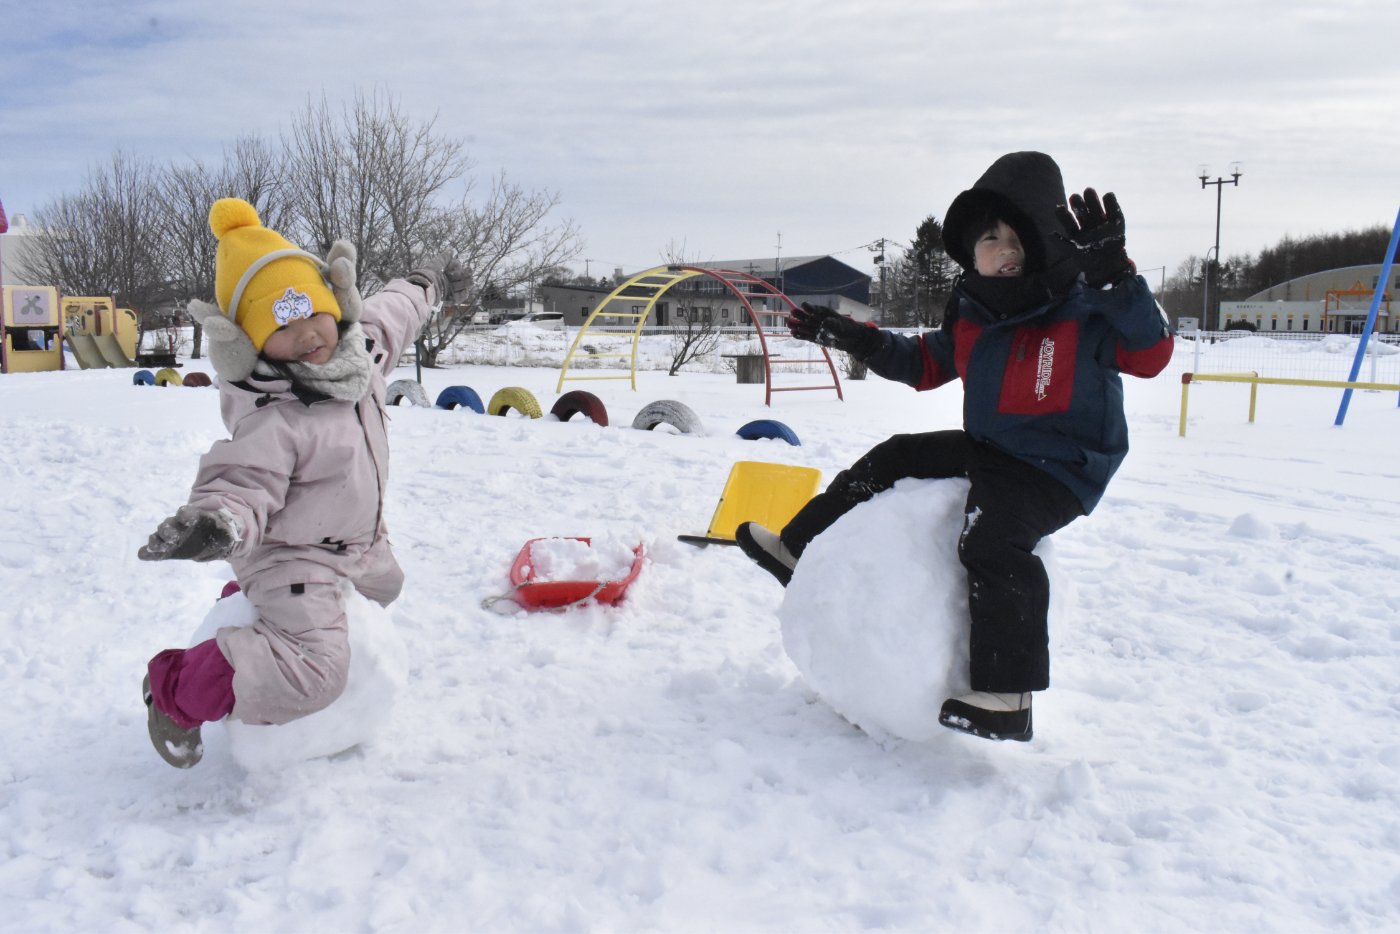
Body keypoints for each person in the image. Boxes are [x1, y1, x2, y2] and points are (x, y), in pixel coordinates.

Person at [736, 151, 1174, 742]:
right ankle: (797, 546)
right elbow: (924, 362)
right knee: (896, 455)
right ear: (971, 252)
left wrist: (1116, 278)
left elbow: (1151, 355)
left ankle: (1008, 694)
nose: (1005, 249)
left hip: (1063, 467)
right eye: (990, 238)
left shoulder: (1088, 306)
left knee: (994, 538)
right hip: (993, 446)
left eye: (1020, 236)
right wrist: (856, 339)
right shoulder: (974, 312)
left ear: (1049, 242)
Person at [138, 198, 470, 768]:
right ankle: (176, 692)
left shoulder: (361, 352)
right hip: (292, 556)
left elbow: (396, 309)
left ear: (334, 304)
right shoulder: (273, 416)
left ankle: (248, 612)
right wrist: (217, 522)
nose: (306, 334)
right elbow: (241, 480)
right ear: (249, 342)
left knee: (385, 588)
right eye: (280, 326)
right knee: (314, 672)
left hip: (356, 539)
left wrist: (428, 281)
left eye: (312, 312)